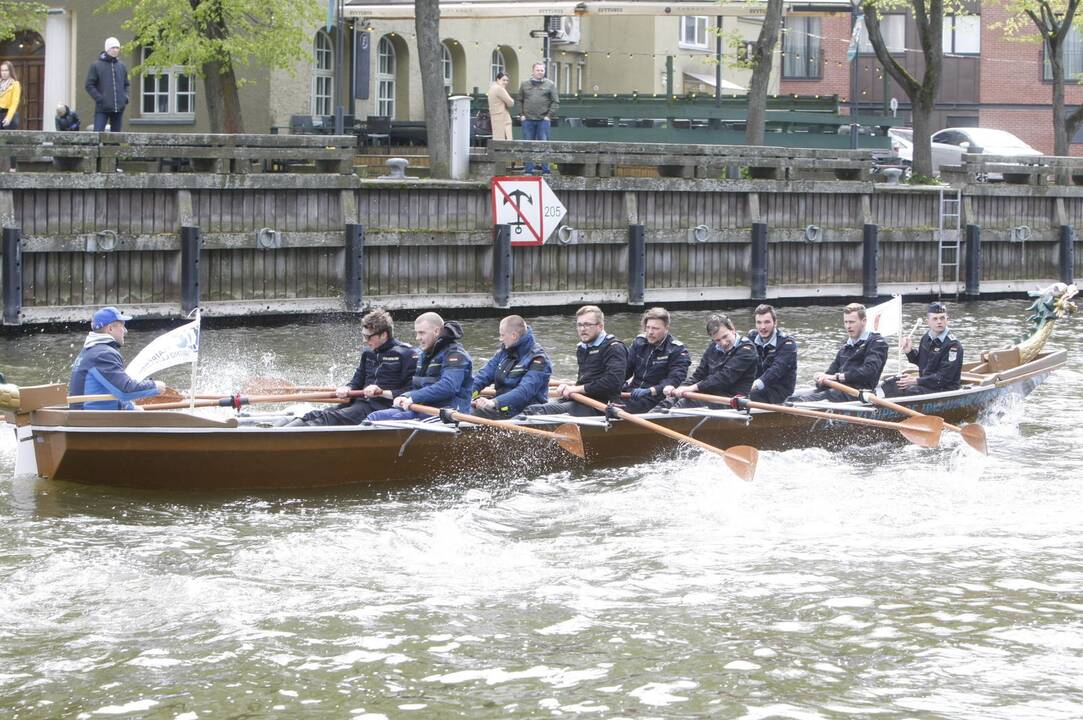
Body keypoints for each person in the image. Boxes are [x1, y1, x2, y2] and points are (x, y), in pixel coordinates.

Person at [286, 309, 418, 427]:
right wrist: (348, 388)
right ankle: (279, 430)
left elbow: (411, 390)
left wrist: (381, 392)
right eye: (363, 335)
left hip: (381, 407)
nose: (364, 341)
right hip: (360, 403)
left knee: (327, 418)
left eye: (368, 337)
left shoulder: (406, 354)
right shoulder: (368, 353)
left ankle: (283, 438)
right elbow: (357, 381)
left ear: (383, 335)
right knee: (314, 414)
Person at [523, 305, 627, 417]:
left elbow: (613, 382)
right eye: (580, 325)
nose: (583, 329)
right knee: (528, 407)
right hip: (582, 400)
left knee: (536, 412)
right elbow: (584, 380)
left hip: (603, 406)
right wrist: (571, 389)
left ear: (600, 326)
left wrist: (576, 389)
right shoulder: (582, 348)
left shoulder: (614, 348)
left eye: (587, 324)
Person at [367, 313, 472, 422]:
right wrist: (404, 395)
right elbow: (416, 387)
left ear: (436, 331)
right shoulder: (423, 355)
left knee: (395, 420)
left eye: (421, 333)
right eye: (417, 333)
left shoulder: (456, 355)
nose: (417, 338)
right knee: (375, 417)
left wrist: (413, 397)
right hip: (425, 409)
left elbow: (447, 387)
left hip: (449, 413)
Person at [787, 302, 889, 403]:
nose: (848, 326)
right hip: (838, 391)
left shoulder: (877, 343)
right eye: (846, 322)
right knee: (789, 397)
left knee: (802, 401)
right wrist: (821, 378)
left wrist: (837, 377)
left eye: (852, 322)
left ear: (864, 321)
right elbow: (831, 372)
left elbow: (869, 371)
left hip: (859, 393)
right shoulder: (846, 346)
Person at [69, 306, 165, 410]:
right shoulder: (103, 355)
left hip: (84, 417)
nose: (125, 331)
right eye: (122, 326)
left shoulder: (89, 351)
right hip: (93, 421)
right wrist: (154, 386)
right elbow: (124, 391)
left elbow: (114, 389)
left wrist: (131, 408)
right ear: (110, 328)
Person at [662, 313, 758, 409]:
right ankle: (651, 417)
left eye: (725, 337)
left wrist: (692, 388)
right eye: (717, 340)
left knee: (684, 404)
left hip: (732, 401)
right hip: (711, 395)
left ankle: (663, 420)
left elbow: (723, 378)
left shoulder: (747, 350)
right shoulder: (713, 347)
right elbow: (699, 375)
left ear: (732, 329)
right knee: (670, 400)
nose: (723, 343)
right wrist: (681, 388)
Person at [471, 315, 552, 419]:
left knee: (470, 413)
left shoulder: (539, 359)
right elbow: (482, 376)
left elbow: (524, 392)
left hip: (526, 412)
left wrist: (494, 402)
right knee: (460, 406)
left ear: (514, 335)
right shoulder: (503, 352)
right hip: (502, 407)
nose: (500, 339)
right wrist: (468, 394)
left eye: (502, 335)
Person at [881, 301, 963, 397]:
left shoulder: (953, 345)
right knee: (890, 385)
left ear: (947, 320)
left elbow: (944, 378)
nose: (939, 321)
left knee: (910, 391)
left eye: (942, 318)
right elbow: (922, 362)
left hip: (945, 389)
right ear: (927, 321)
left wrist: (916, 380)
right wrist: (909, 351)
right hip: (927, 384)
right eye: (935, 319)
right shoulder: (926, 338)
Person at [622, 307, 690, 414]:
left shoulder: (677, 350)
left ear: (666, 328)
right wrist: (617, 382)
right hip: (632, 391)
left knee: (620, 408)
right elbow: (626, 369)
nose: (650, 332)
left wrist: (651, 390)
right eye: (648, 327)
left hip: (656, 396)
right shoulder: (639, 342)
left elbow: (674, 379)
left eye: (655, 328)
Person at [747, 304, 798, 405]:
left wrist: (755, 384)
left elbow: (776, 370)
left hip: (779, 391)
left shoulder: (787, 344)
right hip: (757, 387)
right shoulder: (751, 338)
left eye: (767, 322)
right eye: (759, 322)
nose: (763, 327)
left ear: (775, 323)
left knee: (751, 394)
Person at [518, 61, 559, 175]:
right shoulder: (524, 84)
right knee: (528, 144)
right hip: (528, 120)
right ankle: (528, 170)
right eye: (538, 70)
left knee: (544, 144)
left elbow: (555, 102)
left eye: (542, 70)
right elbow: (519, 100)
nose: (540, 72)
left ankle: (546, 169)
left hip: (543, 120)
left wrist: (548, 116)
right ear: (533, 71)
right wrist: (521, 115)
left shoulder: (550, 84)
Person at [85, 37, 130, 132]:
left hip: (119, 108)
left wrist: (125, 97)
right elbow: (89, 85)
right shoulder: (96, 65)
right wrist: (100, 98)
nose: (115, 50)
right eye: (113, 47)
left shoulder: (122, 66)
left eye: (117, 48)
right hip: (102, 108)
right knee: (97, 135)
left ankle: (112, 146)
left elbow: (126, 84)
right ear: (107, 49)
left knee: (115, 138)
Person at [0, 61, 21, 173]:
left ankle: (13, 167)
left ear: (10, 71)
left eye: (6, 70)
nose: (3, 73)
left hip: (8, 114)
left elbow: (14, 102)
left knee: (11, 141)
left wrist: (8, 117)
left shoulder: (15, 84)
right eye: (2, 70)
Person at [487, 72, 515, 142]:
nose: (505, 82)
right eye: (503, 80)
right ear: (498, 79)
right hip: (503, 118)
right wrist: (510, 101)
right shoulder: (499, 89)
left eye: (507, 80)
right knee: (506, 141)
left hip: (495, 117)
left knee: (497, 139)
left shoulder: (491, 88)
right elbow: (511, 103)